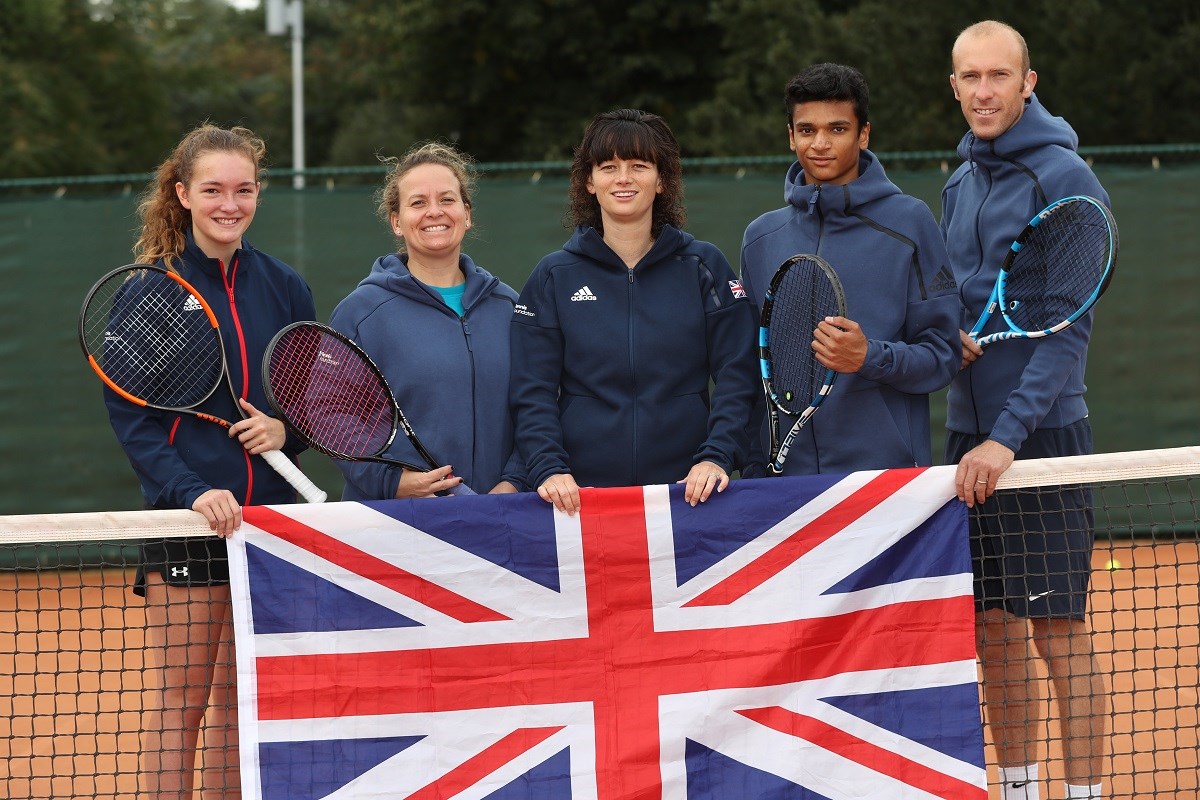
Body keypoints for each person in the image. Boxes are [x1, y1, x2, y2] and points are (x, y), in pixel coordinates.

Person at [105, 123, 317, 799]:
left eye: (244, 189)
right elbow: (133, 423)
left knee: (238, 704)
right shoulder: (150, 292)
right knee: (183, 703)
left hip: (269, 527)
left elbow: (309, 402)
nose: (231, 203)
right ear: (183, 194)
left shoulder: (285, 286)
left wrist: (288, 432)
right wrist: (192, 493)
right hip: (190, 526)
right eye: (214, 190)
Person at [941, 21, 1111, 800]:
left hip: (1038, 438)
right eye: (970, 78)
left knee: (1057, 632)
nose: (984, 92)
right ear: (954, 86)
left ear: (1028, 81)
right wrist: (948, 337)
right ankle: (1015, 789)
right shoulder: (958, 179)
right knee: (992, 632)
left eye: (998, 77)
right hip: (963, 435)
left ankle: (1078, 796)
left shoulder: (1066, 179)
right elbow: (955, 296)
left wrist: (1007, 437)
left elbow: (1065, 331)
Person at [510, 108, 759, 515]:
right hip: (580, 499)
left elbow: (737, 375)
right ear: (589, 181)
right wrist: (548, 468)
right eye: (609, 166)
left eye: (638, 165)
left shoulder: (704, 266)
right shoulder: (554, 275)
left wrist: (717, 456)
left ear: (661, 180)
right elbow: (532, 389)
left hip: (689, 494)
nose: (623, 178)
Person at [739, 63, 959, 475]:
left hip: (883, 484)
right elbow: (750, 369)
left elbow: (943, 356)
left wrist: (868, 356)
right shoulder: (760, 238)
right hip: (784, 486)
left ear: (863, 134)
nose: (820, 143)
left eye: (837, 129)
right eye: (807, 130)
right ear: (790, 136)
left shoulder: (910, 223)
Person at [328, 141, 524, 498]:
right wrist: (394, 482)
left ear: (467, 214)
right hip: (396, 526)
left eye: (447, 200)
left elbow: (537, 405)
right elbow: (333, 411)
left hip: (501, 518)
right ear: (397, 222)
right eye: (418, 202)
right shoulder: (361, 312)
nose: (435, 212)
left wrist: (514, 483)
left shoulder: (509, 307)